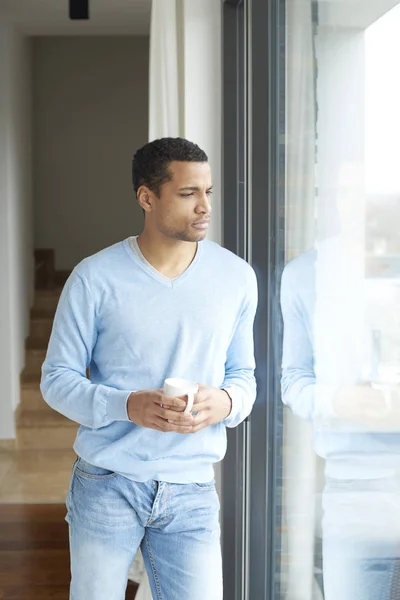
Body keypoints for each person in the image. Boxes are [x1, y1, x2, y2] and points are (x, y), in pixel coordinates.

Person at [40, 137, 258, 600]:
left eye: (208, 192)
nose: (204, 206)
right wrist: (126, 406)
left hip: (193, 489)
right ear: (147, 197)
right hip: (107, 483)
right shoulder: (94, 277)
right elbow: (56, 380)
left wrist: (224, 401)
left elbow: (244, 377)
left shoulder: (236, 277)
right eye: (187, 194)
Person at [280, 168, 400, 599]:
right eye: (347, 192)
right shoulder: (304, 275)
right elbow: (292, 381)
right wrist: (338, 401)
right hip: (353, 496)